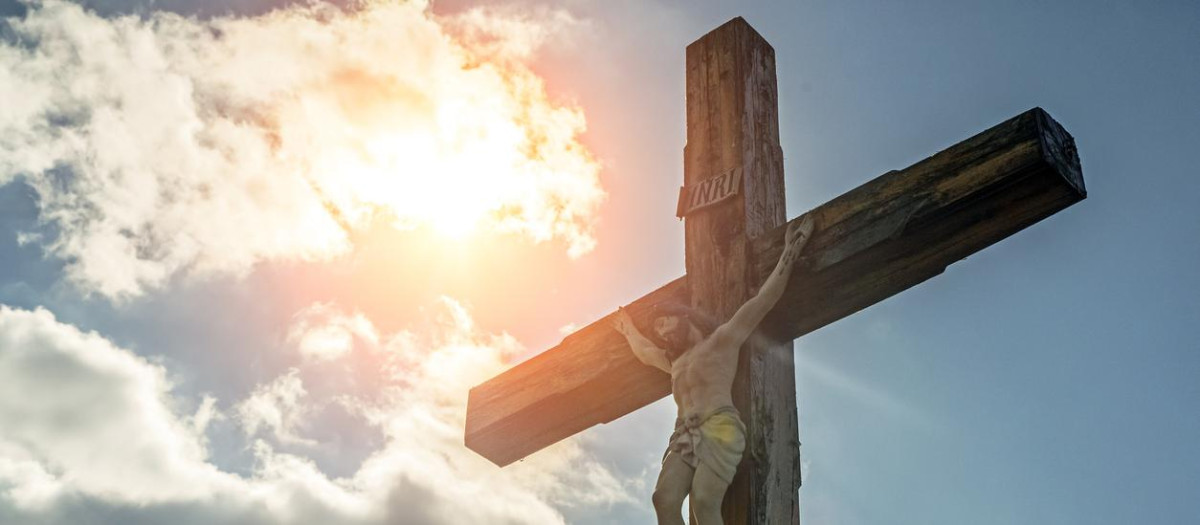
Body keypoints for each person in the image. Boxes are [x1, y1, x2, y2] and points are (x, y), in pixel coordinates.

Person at [611, 215, 815, 525]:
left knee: (704, 503)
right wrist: (627, 329)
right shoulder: (674, 362)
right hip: (684, 434)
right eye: (657, 329)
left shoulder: (722, 341)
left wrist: (791, 250)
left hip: (719, 425)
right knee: (663, 500)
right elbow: (644, 352)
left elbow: (764, 300)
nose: (662, 332)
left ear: (681, 316)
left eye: (664, 322)